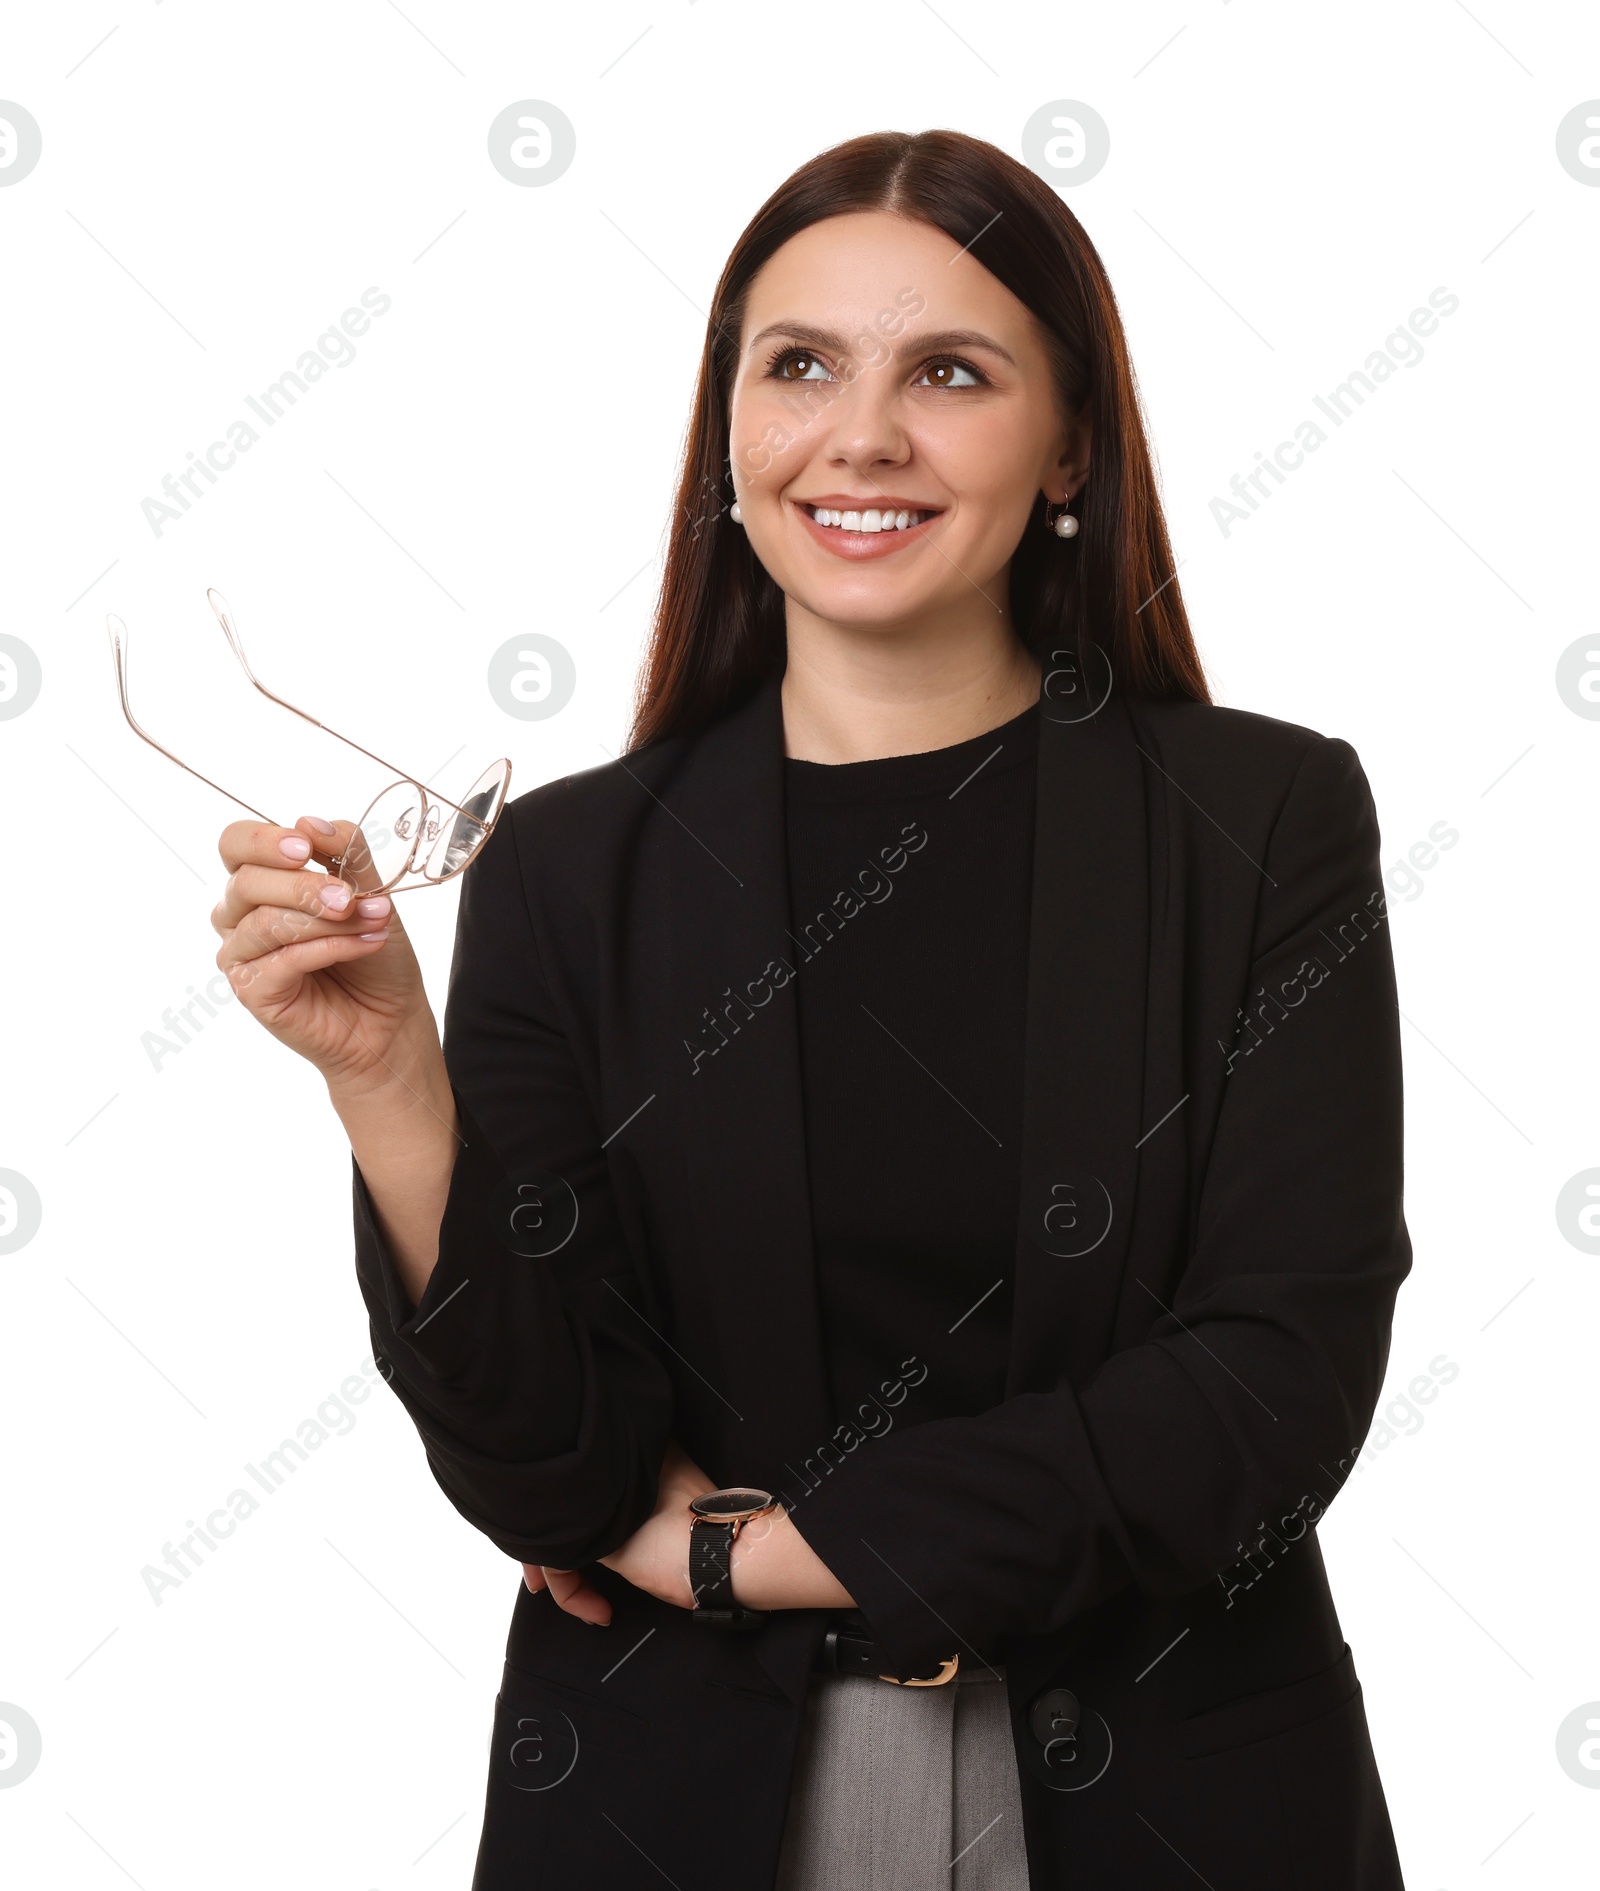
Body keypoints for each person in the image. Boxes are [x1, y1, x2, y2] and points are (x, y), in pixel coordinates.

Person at [211, 130, 1410, 1890]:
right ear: (730, 439)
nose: (862, 437)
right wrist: (390, 1076)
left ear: (1070, 440)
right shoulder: (570, 871)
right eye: (799, 368)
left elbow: (1271, 1393)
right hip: (684, 1803)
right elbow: (555, 1468)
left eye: (949, 371)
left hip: (1165, 1798)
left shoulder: (1263, 824)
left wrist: (743, 1551)